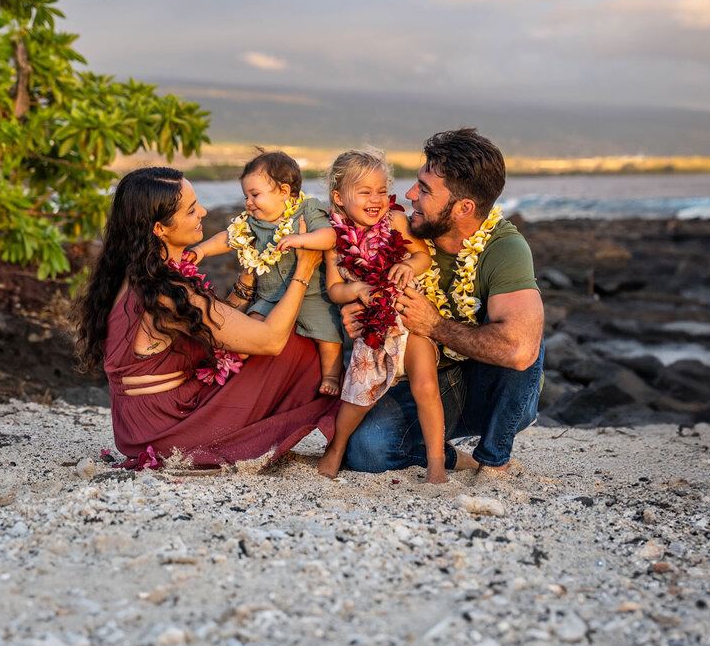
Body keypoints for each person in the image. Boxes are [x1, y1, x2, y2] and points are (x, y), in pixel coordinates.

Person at [74, 166, 338, 469]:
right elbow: (271, 341)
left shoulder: (138, 275)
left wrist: (245, 285)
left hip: (139, 426)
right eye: (190, 210)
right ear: (159, 229)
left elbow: (215, 327)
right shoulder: (167, 291)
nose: (202, 211)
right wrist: (304, 270)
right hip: (166, 427)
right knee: (303, 340)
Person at [341, 129, 545, 476]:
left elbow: (520, 351)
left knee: (525, 339)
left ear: (464, 207)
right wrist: (359, 320)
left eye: (424, 189)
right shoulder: (402, 236)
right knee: (366, 452)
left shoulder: (504, 248)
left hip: (491, 390)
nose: (408, 194)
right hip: (427, 381)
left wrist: (434, 325)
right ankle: (454, 459)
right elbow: (367, 296)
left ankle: (493, 459)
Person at [278, 150, 446, 483]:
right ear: (339, 197)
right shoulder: (334, 239)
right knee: (359, 395)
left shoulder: (395, 221)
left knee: (426, 386)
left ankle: (437, 462)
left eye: (382, 191)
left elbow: (422, 256)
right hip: (372, 331)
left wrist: (406, 264)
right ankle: (337, 447)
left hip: (407, 319)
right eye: (365, 192)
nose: (377, 199)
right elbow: (335, 289)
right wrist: (357, 290)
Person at [192, 150, 343, 396]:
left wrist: (302, 239)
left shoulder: (307, 210)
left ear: (284, 192)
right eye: (246, 196)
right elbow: (228, 239)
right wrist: (200, 251)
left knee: (329, 336)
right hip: (268, 296)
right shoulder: (250, 223)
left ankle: (332, 375)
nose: (248, 202)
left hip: (312, 295)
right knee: (249, 331)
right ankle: (233, 372)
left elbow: (329, 236)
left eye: (254, 195)